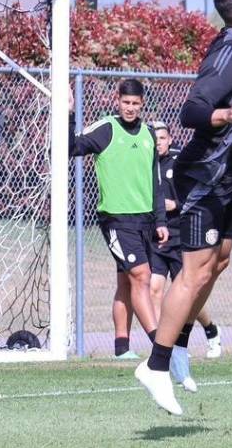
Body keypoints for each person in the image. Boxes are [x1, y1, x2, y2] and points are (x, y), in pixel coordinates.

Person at [136, 0, 232, 415]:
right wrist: (222, 113)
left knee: (220, 260)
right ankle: (156, 366)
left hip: (231, 176)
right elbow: (193, 109)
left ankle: (176, 344)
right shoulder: (231, 50)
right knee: (194, 272)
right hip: (204, 179)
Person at [70, 79, 168, 360]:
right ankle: (161, 346)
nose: (130, 108)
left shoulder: (149, 133)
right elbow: (72, 147)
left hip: (146, 220)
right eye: (126, 102)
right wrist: (68, 114)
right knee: (142, 277)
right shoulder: (106, 129)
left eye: (135, 103)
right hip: (116, 219)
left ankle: (121, 348)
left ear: (142, 104)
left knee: (127, 282)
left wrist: (160, 221)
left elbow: (156, 181)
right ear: (117, 101)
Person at [148, 122, 223, 358]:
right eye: (154, 138)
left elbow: (198, 194)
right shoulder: (146, 163)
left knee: (188, 294)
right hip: (157, 236)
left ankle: (210, 329)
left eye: (162, 138)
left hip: (182, 236)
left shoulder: (181, 162)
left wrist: (176, 206)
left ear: (170, 140)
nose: (158, 142)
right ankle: (167, 346)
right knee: (155, 289)